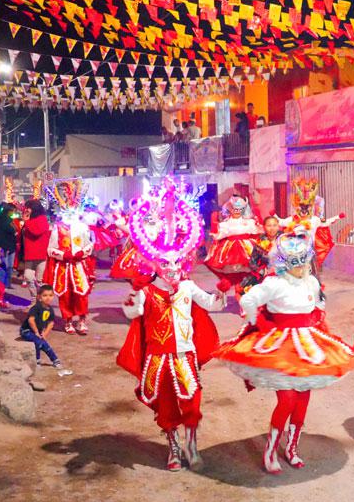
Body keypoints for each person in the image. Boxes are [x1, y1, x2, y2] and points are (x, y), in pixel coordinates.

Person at [214, 234, 354, 474]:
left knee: (302, 399)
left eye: (304, 261)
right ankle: (271, 449)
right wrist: (259, 322)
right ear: (283, 262)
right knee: (287, 400)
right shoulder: (274, 283)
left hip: (306, 344)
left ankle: (292, 448)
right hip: (280, 345)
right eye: (296, 262)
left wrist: (315, 320)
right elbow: (249, 300)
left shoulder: (311, 282)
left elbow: (319, 305)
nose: (301, 267)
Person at [116, 179, 227, 472]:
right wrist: (129, 304)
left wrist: (223, 293)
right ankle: (173, 447)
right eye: (167, 265)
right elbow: (133, 313)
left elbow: (212, 305)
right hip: (158, 357)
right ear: (157, 266)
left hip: (185, 354)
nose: (174, 270)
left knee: (191, 402)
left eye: (178, 264)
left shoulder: (188, 288)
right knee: (166, 405)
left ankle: (191, 443)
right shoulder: (147, 291)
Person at [43, 180, 95, 335]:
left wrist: (82, 253)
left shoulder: (83, 227)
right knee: (65, 295)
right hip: (63, 268)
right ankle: (68, 321)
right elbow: (50, 249)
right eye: (68, 211)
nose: (71, 214)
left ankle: (82, 320)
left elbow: (89, 245)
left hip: (79, 266)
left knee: (81, 294)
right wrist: (62, 255)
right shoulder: (57, 229)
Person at [278, 178, 344, 273]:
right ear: (297, 208)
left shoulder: (314, 220)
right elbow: (281, 222)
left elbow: (326, 222)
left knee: (312, 272)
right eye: (301, 208)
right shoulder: (293, 219)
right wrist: (273, 216)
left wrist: (337, 217)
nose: (304, 211)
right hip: (295, 251)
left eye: (306, 208)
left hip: (309, 251)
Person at [203, 194, 260, 294]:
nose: (237, 211)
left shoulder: (249, 222)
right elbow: (219, 236)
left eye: (239, 209)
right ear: (230, 209)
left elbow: (256, 232)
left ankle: (244, 291)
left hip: (247, 248)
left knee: (247, 271)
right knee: (233, 272)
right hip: (230, 250)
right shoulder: (225, 224)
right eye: (234, 209)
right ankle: (235, 290)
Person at [20, 285, 71, 375]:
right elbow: (31, 320)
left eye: (50, 295)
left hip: (38, 332)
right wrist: (36, 332)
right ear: (39, 297)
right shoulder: (36, 308)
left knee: (45, 344)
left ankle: (55, 360)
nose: (48, 298)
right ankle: (37, 361)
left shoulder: (50, 309)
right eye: (45, 295)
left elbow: (51, 323)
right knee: (38, 342)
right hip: (26, 330)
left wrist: (45, 334)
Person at [237, 215, 280, 295]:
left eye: (274, 225)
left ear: (278, 226)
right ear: (264, 227)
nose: (272, 228)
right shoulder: (260, 242)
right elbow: (252, 262)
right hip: (266, 274)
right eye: (269, 225)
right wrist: (262, 271)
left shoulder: (284, 239)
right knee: (245, 291)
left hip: (283, 273)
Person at [20, 199, 50, 294]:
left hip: (40, 254)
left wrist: (26, 222)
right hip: (29, 254)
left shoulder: (42, 219)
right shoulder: (29, 219)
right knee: (28, 276)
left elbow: (36, 232)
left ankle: (39, 300)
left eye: (28, 208)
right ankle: (34, 299)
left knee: (39, 279)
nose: (27, 210)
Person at [0, 202, 18, 282]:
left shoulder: (0, 219)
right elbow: (11, 231)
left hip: (6, 244)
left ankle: (6, 282)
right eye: (13, 211)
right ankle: (5, 282)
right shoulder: (6, 220)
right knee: (6, 265)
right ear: (9, 210)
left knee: (7, 265)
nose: (14, 213)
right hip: (6, 245)